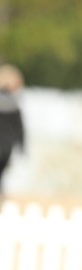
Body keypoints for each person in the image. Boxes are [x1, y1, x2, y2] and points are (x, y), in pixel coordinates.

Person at [0, 65, 26, 198]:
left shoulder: (12, 104)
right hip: (6, 144)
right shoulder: (13, 104)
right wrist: (22, 145)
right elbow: (19, 127)